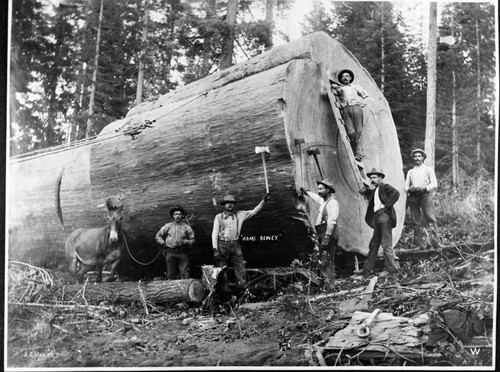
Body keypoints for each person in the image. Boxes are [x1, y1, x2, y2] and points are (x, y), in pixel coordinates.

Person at [212, 193, 270, 289]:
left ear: (234, 204)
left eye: (232, 203)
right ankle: (224, 293)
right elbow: (214, 234)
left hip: (235, 244)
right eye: (227, 203)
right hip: (222, 245)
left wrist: (264, 201)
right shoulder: (219, 217)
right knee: (222, 270)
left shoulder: (240, 214)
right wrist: (215, 249)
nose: (230, 205)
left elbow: (254, 212)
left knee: (240, 269)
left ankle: (241, 291)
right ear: (224, 205)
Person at [354, 168, 400, 277]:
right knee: (374, 244)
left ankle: (391, 269)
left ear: (380, 178)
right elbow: (374, 195)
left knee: (386, 244)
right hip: (377, 218)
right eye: (371, 178)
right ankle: (367, 269)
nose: (372, 180)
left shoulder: (385, 187)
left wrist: (386, 206)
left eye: (374, 177)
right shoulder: (376, 190)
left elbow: (396, 193)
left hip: (384, 217)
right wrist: (366, 191)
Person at [300, 179, 339, 285]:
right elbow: (316, 198)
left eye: (321, 189)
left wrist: (326, 238)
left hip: (328, 232)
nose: (318, 191)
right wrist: (307, 192)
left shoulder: (333, 203)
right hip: (321, 231)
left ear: (328, 190)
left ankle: (330, 287)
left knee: (328, 260)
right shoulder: (324, 201)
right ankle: (324, 286)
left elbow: (332, 221)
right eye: (318, 189)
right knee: (322, 259)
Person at [330, 69, 371, 161]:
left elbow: (367, 97)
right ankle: (354, 152)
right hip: (345, 110)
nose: (345, 78)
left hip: (356, 108)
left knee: (358, 131)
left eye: (347, 76)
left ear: (350, 78)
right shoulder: (339, 88)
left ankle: (359, 154)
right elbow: (334, 95)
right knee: (350, 132)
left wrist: (360, 104)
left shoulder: (355, 87)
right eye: (343, 76)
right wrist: (334, 88)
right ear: (341, 79)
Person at [404, 149, 440, 250]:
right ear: (413, 158)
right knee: (415, 220)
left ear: (423, 158)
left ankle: (435, 243)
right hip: (413, 196)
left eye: (419, 156)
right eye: (415, 156)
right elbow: (405, 186)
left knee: (430, 218)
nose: (417, 158)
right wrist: (410, 189)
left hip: (424, 195)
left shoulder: (428, 169)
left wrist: (425, 188)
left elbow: (434, 184)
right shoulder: (410, 172)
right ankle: (419, 244)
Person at [155, 206, 195, 280]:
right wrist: (163, 243)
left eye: (179, 214)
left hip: (183, 253)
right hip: (170, 252)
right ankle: (172, 289)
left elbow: (192, 240)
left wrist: (185, 242)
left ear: (182, 216)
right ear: (173, 216)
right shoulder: (168, 226)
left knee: (185, 273)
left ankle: (185, 289)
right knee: (171, 274)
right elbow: (158, 236)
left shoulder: (187, 227)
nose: (177, 216)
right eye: (175, 214)